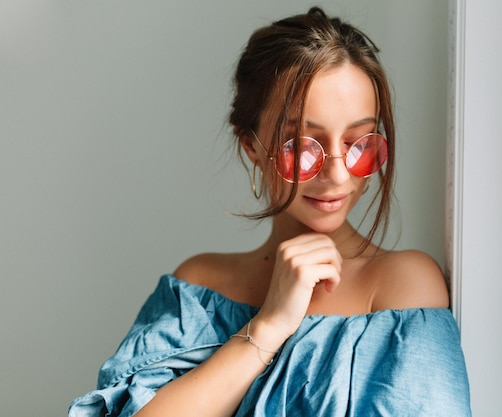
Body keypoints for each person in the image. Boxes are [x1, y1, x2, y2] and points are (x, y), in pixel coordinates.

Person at [69, 7, 471, 417]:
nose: (336, 174)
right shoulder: (197, 288)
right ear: (250, 146)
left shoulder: (400, 288)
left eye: (358, 143)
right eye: (301, 145)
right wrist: (269, 326)